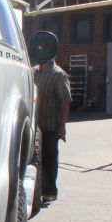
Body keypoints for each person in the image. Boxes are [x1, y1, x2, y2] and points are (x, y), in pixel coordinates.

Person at [32, 38, 72, 203]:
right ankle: (36, 191)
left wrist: (62, 126)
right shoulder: (32, 71)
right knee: (35, 158)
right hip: (34, 125)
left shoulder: (58, 74)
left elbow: (65, 101)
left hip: (49, 124)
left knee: (49, 158)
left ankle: (50, 191)